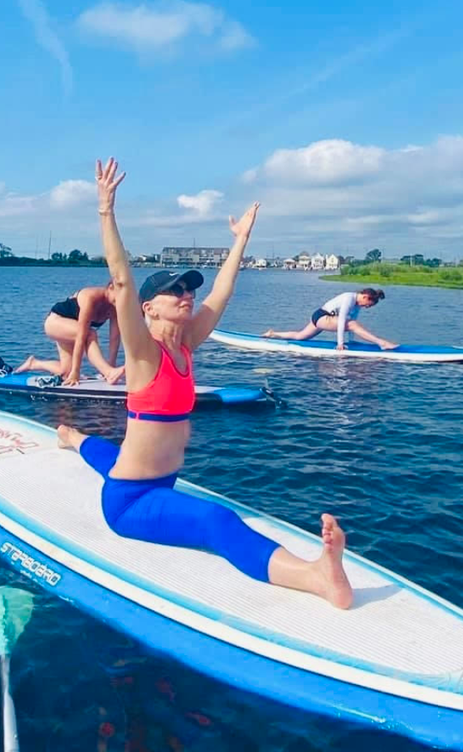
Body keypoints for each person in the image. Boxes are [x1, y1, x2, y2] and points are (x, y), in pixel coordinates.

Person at [58, 157, 353, 609]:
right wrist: (105, 208)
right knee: (216, 521)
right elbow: (121, 276)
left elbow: (221, 293)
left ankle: (71, 435)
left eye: (187, 289)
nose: (186, 295)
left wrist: (240, 241)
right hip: (131, 502)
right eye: (174, 291)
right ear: (148, 309)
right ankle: (317, 578)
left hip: (160, 481)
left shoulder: (187, 344)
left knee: (104, 451)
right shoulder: (142, 352)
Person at [15, 282, 125, 385]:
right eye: (119, 295)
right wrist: (76, 372)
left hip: (72, 329)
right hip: (55, 323)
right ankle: (107, 371)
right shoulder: (90, 297)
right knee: (90, 334)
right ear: (110, 287)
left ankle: (34, 363)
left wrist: (112, 364)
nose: (121, 300)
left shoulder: (115, 307)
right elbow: (81, 336)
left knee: (66, 373)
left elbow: (114, 338)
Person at [262, 289, 398, 351]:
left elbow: (349, 322)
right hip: (322, 316)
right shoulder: (349, 298)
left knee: (300, 336)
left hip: (320, 317)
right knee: (352, 324)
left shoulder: (357, 305)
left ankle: (273, 334)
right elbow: (345, 321)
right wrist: (340, 343)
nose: (366, 307)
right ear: (365, 296)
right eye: (368, 305)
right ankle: (382, 343)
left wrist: (351, 342)